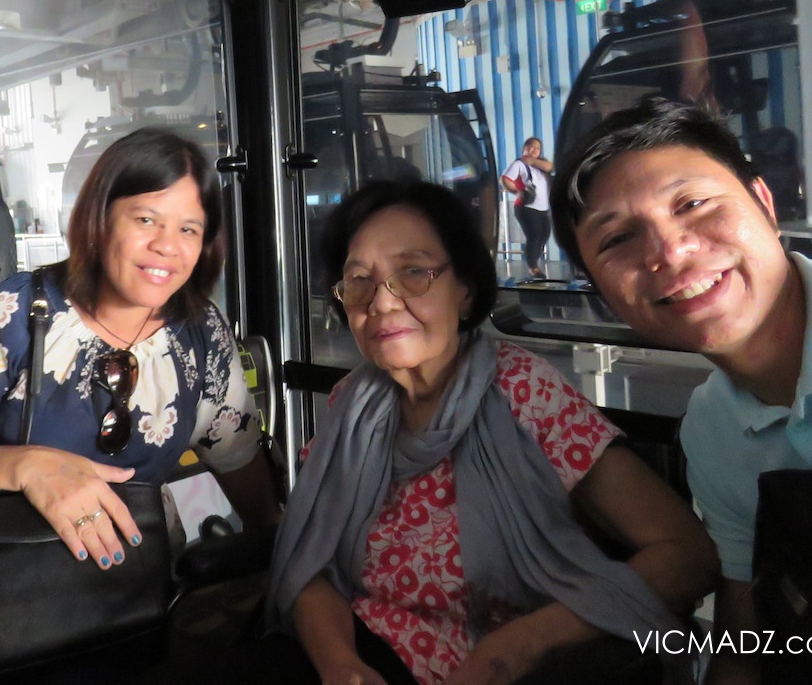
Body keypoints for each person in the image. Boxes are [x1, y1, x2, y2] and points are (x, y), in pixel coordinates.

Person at [262, 180, 716, 685]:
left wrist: (519, 645)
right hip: (349, 652)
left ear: (465, 291)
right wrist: (341, 667)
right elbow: (311, 563)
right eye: (358, 281)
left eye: (413, 273)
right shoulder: (353, 402)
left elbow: (687, 557)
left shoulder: (521, 392)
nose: (382, 303)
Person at [549, 97, 812, 685]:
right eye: (618, 239)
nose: (670, 252)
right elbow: (753, 644)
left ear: (764, 203)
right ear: (600, 291)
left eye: (692, 204)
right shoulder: (712, 428)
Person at [0, 127, 281, 569]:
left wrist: (282, 557)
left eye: (188, 229)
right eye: (145, 220)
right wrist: (26, 466)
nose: (166, 245)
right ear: (99, 220)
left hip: (142, 584)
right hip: (8, 587)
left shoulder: (200, 331)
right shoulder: (19, 312)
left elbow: (236, 455)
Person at [501, 138, 552, 280]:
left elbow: (550, 167)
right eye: (530, 147)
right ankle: (533, 268)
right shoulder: (518, 164)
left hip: (543, 209)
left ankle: (532, 258)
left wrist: (534, 161)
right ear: (524, 148)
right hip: (526, 207)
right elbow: (504, 179)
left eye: (537, 148)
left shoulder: (540, 165)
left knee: (544, 236)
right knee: (534, 235)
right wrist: (518, 192)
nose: (533, 150)